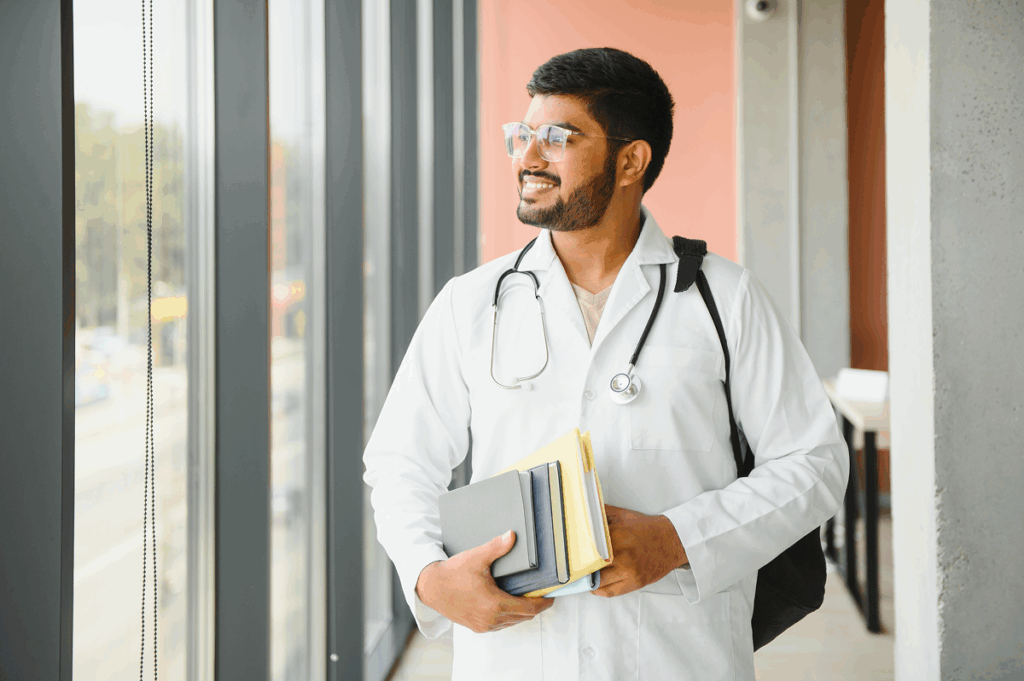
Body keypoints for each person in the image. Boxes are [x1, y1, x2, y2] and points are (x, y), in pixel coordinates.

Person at [363, 47, 849, 681]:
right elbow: (400, 461)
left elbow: (814, 462)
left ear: (631, 160)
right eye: (523, 135)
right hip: (517, 659)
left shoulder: (724, 298)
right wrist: (428, 575)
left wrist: (679, 540)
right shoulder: (471, 302)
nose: (527, 158)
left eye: (557, 138)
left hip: (679, 658)